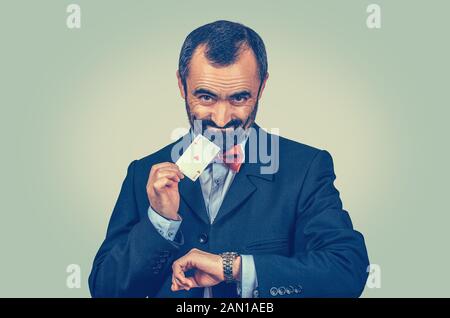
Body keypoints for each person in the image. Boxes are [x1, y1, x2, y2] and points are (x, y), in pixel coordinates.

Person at [89, 20, 369, 298]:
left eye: (239, 98)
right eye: (206, 97)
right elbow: (106, 291)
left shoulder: (306, 168)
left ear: (261, 87)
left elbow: (347, 272)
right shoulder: (143, 173)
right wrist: (160, 221)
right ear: (181, 85)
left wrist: (233, 268)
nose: (221, 120)